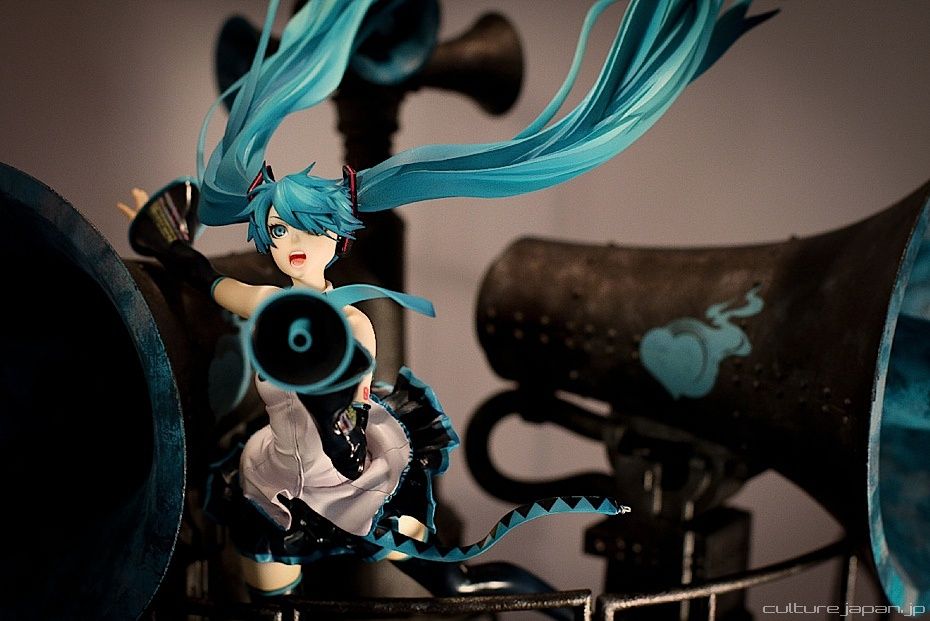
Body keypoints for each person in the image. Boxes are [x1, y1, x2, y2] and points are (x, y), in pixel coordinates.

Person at [122, 0, 773, 601]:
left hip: (345, 479)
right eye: (280, 230)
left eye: (310, 230)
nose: (293, 244)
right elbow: (203, 278)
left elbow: (354, 405)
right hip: (278, 475)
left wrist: (342, 437)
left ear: (338, 239)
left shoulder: (351, 323)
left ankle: (564, 609)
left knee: (453, 580)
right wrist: (167, 237)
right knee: (264, 587)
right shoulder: (266, 303)